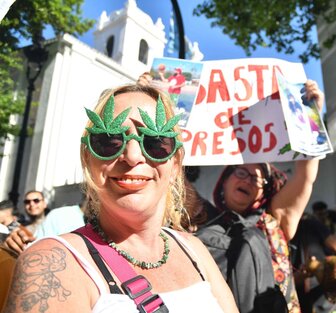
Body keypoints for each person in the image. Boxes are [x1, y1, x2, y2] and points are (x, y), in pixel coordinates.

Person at [4, 84, 238, 312]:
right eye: (109, 141)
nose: (133, 156)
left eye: (156, 142)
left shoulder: (195, 250)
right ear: (88, 158)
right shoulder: (51, 264)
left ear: (175, 164)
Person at [192, 80, 323, 313]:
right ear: (225, 181)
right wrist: (155, 95)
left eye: (257, 178)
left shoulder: (276, 219)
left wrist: (311, 114)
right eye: (241, 172)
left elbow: (306, 175)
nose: (247, 180)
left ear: (266, 191)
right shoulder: (199, 214)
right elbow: (167, 171)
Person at [291, 211, 336, 313]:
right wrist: (299, 277)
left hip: (323, 296)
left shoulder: (310, 225)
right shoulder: (273, 233)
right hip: (297, 297)